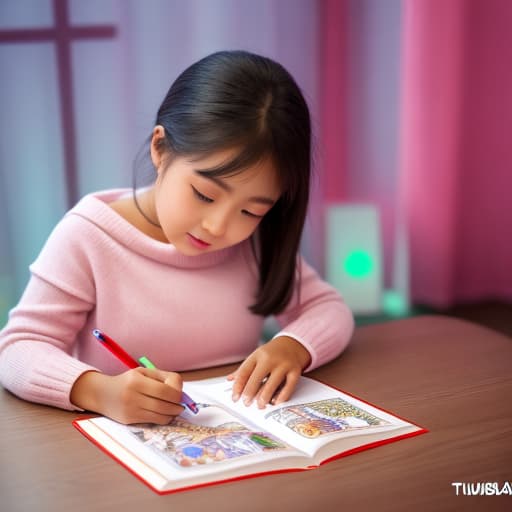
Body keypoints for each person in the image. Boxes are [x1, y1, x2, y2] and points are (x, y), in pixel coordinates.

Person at [0, 50, 353, 425]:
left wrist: (292, 345)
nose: (218, 227)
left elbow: (328, 309)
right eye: (204, 194)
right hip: (119, 455)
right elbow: (19, 348)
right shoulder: (88, 236)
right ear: (159, 148)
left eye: (251, 211)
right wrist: (99, 391)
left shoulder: (257, 243)